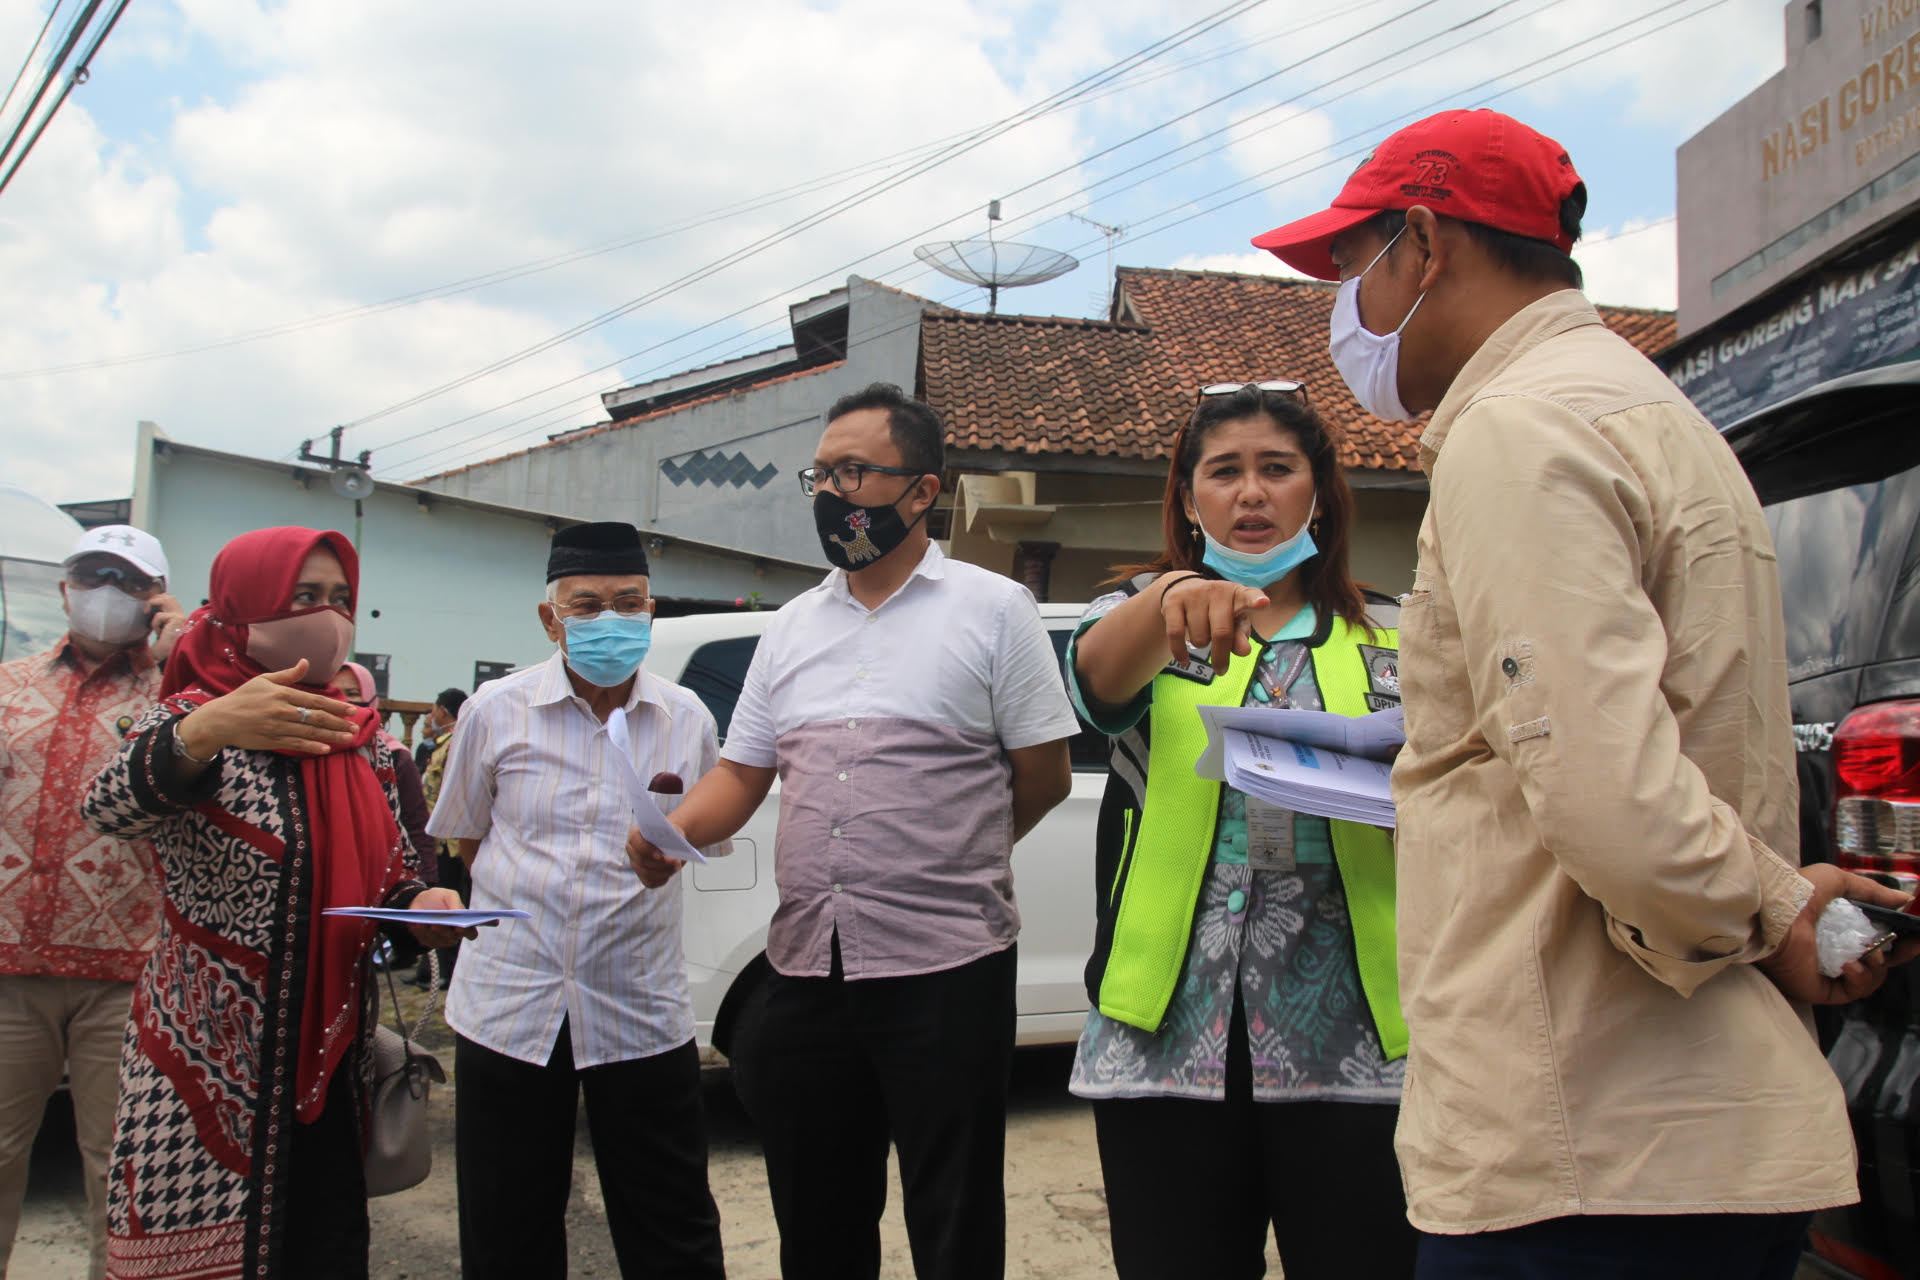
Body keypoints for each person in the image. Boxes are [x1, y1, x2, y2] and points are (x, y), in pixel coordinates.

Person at [1251, 107, 1920, 1279]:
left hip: (1582, 1146)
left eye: (1352, 267)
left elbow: (1614, 798)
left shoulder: (1519, 431)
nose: (1341, 307)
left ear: (1423, 243)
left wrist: (1772, 908)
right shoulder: (1654, 416)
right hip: (1666, 1138)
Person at [628, 382, 1080, 1280]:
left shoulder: (995, 611)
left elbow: (1043, 777)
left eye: (855, 472)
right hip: (807, 966)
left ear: (922, 491)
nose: (833, 495)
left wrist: (953, 859)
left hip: (949, 967)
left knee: (953, 1216)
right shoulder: (793, 625)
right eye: (821, 475)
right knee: (817, 1210)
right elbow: (742, 774)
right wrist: (671, 833)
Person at [1065, 382, 1413, 1279]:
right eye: (1223, 473)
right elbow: (1098, 686)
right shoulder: (1139, 618)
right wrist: (1176, 594)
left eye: (1275, 470)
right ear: (1188, 499)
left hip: (1358, 1029)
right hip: (1166, 1029)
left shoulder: (1393, 638)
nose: (1250, 494)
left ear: (1319, 493)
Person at [80, 527, 470, 1280]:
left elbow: (389, 871)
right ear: (244, 606)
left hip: (333, 1055)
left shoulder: (356, 736)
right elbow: (107, 809)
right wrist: (206, 730)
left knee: (321, 1243)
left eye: (341, 600)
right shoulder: (191, 716)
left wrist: (424, 904)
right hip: (207, 1055)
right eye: (303, 597)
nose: (328, 617)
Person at [426, 521, 726, 1280]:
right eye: (586, 606)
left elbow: (699, 845)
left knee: (672, 1224)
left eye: (629, 604)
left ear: (652, 611)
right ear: (549, 617)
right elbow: (469, 842)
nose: (610, 622)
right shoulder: (497, 710)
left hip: (637, 1004)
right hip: (509, 1004)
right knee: (507, 1226)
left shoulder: (687, 718)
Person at [0, 525, 184, 1280]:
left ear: (157, 599)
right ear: (65, 586)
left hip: (130, 975)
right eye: (93, 571)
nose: (107, 588)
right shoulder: (9, 686)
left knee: (120, 1172)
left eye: (129, 578)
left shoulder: (183, 696)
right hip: (9, 966)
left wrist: (187, 657)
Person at [414, 687, 465, 772]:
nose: (433, 716)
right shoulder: (463, 737)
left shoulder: (451, 743)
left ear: (442, 712)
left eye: (434, 711)